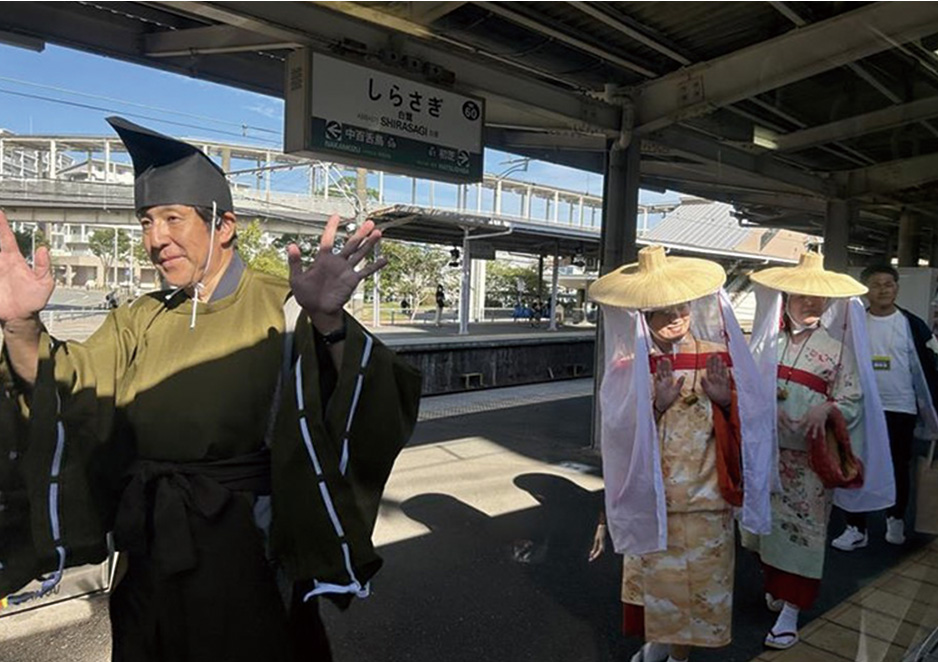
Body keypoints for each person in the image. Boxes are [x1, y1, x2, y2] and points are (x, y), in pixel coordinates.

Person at [0, 117, 421, 662]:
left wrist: (330, 323)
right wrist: (21, 326)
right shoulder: (138, 317)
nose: (155, 239)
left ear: (224, 226)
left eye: (172, 218)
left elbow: (366, 404)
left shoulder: (285, 304)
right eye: (146, 222)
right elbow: (68, 388)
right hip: (147, 545)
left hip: (246, 547)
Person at [587, 246, 773, 662]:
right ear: (644, 314)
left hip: (708, 494)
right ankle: (659, 642)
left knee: (699, 586)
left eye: (682, 308)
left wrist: (726, 401)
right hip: (651, 497)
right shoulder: (629, 363)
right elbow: (617, 435)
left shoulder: (719, 354)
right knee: (658, 583)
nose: (676, 318)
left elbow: (756, 421)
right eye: (663, 312)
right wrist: (654, 407)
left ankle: (679, 656)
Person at [743, 252, 893, 650]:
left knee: (803, 536)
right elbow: (747, 390)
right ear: (786, 299)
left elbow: (853, 400)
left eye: (818, 298)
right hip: (767, 458)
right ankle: (777, 588)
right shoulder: (767, 344)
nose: (811, 303)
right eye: (802, 296)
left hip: (809, 465)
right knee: (762, 531)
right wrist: (763, 407)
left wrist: (827, 408)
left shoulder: (838, 350)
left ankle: (791, 612)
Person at [831, 264, 938, 550]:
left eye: (888, 284)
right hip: (861, 407)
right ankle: (856, 527)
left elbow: (931, 366)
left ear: (897, 288)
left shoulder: (912, 324)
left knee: (897, 466)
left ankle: (896, 518)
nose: (883, 290)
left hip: (900, 406)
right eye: (876, 284)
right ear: (865, 290)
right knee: (856, 464)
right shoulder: (854, 324)